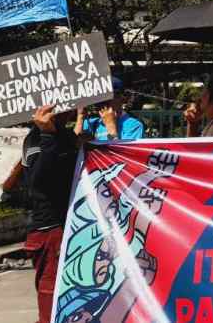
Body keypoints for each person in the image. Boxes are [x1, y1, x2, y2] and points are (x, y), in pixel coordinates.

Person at [22, 104, 80, 323]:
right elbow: (39, 182)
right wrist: (47, 135)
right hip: (51, 230)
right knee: (52, 297)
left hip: (71, 226)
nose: (68, 111)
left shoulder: (67, 136)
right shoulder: (35, 138)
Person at [76, 77, 144, 141]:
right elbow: (75, 145)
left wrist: (111, 127)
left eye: (106, 98)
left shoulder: (133, 125)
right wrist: (80, 117)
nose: (101, 103)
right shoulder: (91, 123)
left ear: (121, 98)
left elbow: (124, 150)